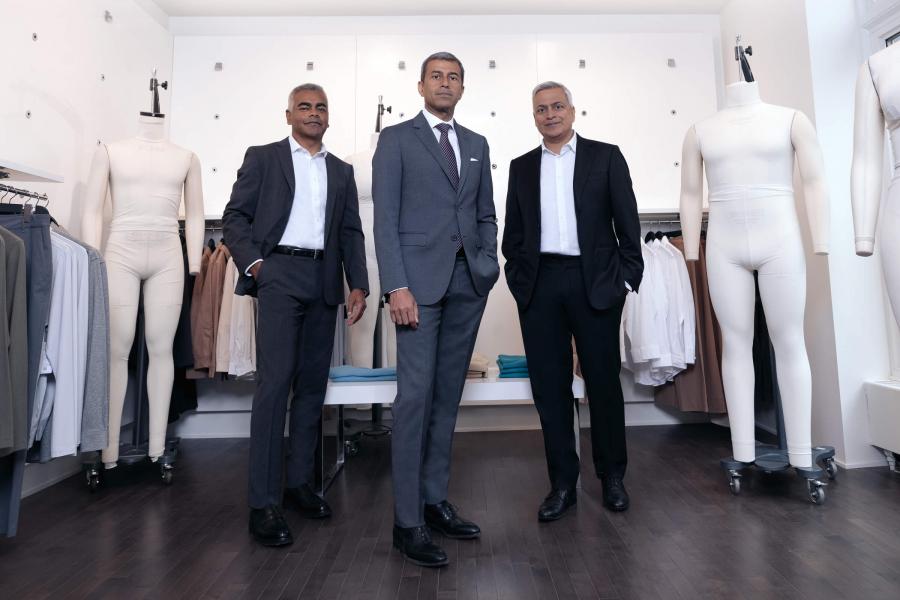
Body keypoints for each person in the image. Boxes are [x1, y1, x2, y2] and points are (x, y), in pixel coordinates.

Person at [223, 83, 369, 547]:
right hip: (279, 273)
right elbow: (235, 217)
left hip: (325, 280)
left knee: (311, 387)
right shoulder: (263, 157)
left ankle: (300, 485)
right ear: (288, 114)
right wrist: (258, 266)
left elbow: (351, 232)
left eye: (321, 107)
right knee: (274, 385)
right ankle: (263, 504)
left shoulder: (342, 171)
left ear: (329, 117)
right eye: (304, 106)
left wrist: (358, 284)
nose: (313, 113)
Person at [373, 52, 499, 567]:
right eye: (437, 76)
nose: (445, 83)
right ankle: (407, 523)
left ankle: (433, 499)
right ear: (420, 85)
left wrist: (487, 264)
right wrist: (395, 286)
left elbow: (485, 212)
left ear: (462, 88)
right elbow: (385, 218)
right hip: (417, 290)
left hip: (468, 284)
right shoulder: (397, 140)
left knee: (448, 398)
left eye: (454, 77)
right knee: (415, 400)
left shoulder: (476, 144)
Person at [502, 82, 643, 521]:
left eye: (557, 106)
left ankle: (612, 477)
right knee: (550, 389)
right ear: (534, 117)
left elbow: (628, 226)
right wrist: (519, 280)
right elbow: (513, 236)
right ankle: (562, 483)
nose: (550, 114)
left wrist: (626, 280)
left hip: (596, 283)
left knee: (602, 383)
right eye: (541, 109)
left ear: (573, 111)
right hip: (540, 284)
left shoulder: (606, 157)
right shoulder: (521, 167)